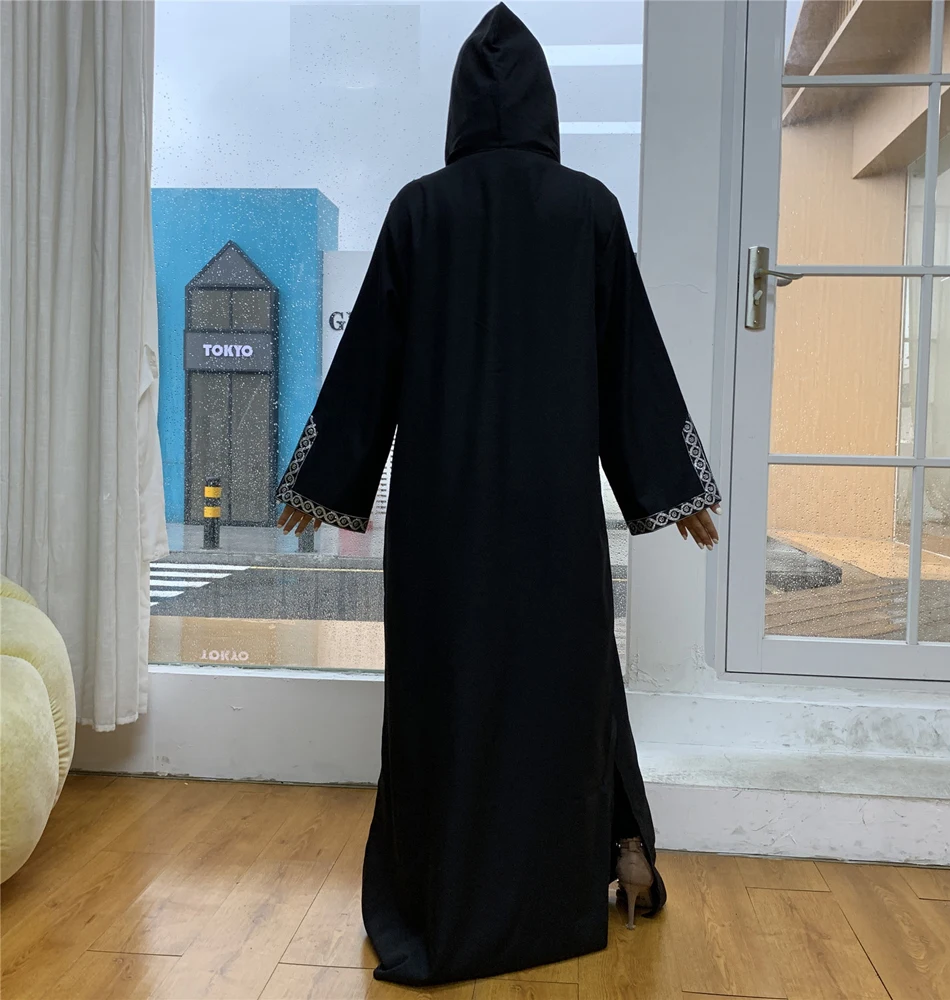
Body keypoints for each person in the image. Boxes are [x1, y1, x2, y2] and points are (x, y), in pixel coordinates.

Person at [276, 2, 720, 986]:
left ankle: (450, 894)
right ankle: (600, 865)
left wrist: (322, 478)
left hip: (441, 520)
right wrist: (674, 482)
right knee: (566, 684)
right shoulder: (588, 210)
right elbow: (630, 364)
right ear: (545, 104)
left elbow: (369, 366)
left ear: (459, 109)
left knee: (447, 693)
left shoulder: (419, 211)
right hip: (552, 511)